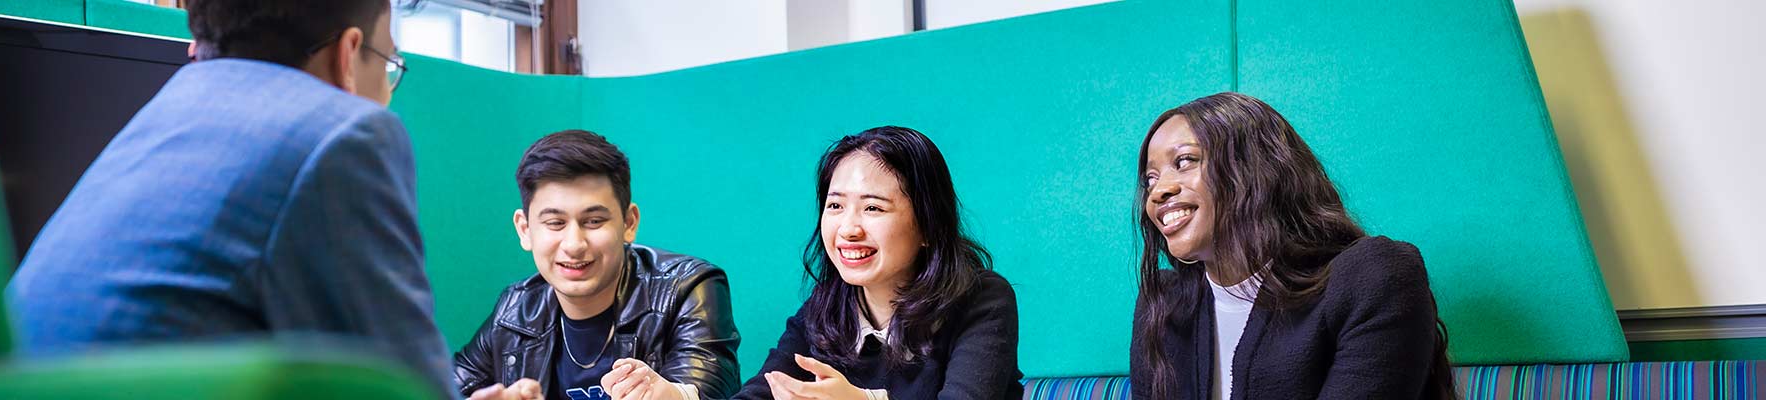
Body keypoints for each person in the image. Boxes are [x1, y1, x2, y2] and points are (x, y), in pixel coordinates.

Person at [5, 0, 447, 393]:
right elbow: (408, 386)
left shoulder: (166, 112)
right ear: (349, 54)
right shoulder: (344, 133)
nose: (388, 90)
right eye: (388, 64)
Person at [607, 126, 1024, 400]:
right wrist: (674, 396)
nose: (848, 229)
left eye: (874, 209)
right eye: (835, 206)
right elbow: (761, 394)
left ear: (928, 224)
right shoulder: (826, 309)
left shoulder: (982, 300)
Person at [1128, 92, 1456, 399]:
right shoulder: (1164, 304)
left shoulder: (1374, 277)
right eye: (1151, 179)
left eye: (1184, 161)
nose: (1158, 192)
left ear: (1255, 167)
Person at [452, 130, 741, 400]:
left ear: (629, 223)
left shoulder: (687, 288)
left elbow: (710, 385)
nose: (574, 244)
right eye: (555, 223)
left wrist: (673, 395)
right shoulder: (515, 310)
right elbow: (450, 384)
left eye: (594, 221)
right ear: (525, 230)